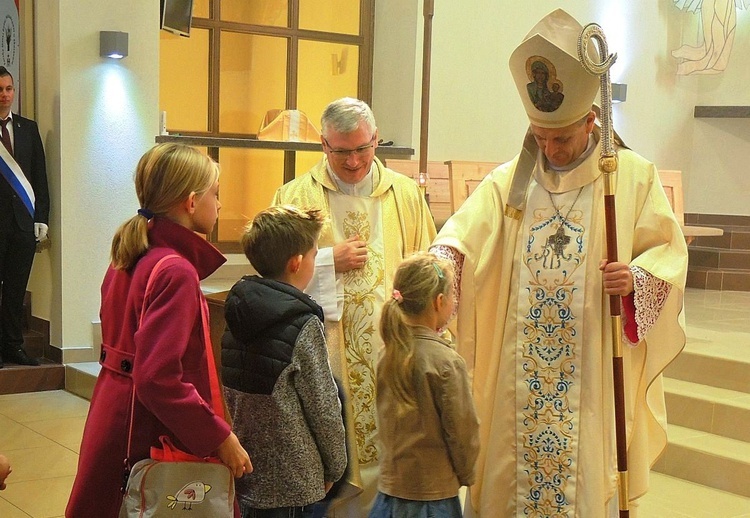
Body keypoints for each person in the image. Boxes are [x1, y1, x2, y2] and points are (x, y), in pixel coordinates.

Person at [431, 9, 688, 517]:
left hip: (589, 370)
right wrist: (439, 265)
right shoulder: (511, 182)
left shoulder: (630, 178)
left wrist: (635, 279)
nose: (549, 148)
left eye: (561, 139)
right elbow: (460, 238)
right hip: (516, 376)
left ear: (592, 121)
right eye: (539, 137)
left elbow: (669, 252)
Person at [66, 143, 252, 517]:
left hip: (113, 411)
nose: (219, 205)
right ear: (191, 201)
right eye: (216, 194)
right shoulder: (175, 271)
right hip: (145, 425)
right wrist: (219, 436)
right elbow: (158, 377)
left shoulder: (131, 254)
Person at [272, 97, 436, 516]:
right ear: (323, 146)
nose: (353, 161)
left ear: (376, 140)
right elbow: (273, 274)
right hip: (325, 356)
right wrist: (328, 261)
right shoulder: (294, 196)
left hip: (393, 351)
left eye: (363, 148)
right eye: (341, 151)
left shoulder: (405, 195)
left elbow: (428, 266)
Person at [222, 205, 347, 518]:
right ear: (297, 262)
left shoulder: (236, 312)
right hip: (294, 479)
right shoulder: (302, 323)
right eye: (316, 255)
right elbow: (323, 406)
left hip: (246, 471)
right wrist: (336, 466)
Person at [369, 252, 479, 518]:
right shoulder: (446, 362)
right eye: (452, 296)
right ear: (439, 302)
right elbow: (462, 430)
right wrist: (467, 474)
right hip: (432, 499)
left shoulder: (388, 354)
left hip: (389, 495)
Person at [0, 66, 49, 368]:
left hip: (22, 226)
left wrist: (41, 217)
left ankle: (11, 346)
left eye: (8, 89)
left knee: (15, 290)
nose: (4, 96)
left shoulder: (27, 129)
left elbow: (39, 178)